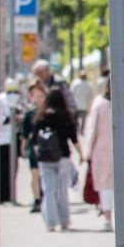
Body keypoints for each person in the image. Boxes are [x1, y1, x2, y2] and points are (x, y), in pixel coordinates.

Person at [82, 69, 124, 232]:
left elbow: (92, 129)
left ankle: (107, 218)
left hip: (102, 150)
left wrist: (88, 152)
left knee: (105, 185)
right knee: (123, 185)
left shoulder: (99, 103)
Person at [32, 84, 81, 232]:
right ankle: (65, 220)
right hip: (63, 157)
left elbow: (34, 140)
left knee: (48, 190)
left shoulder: (41, 116)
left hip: (45, 159)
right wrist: (82, 154)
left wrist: (37, 155)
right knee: (62, 190)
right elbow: (74, 138)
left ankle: (50, 222)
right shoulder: (66, 116)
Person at [21, 81, 46, 212]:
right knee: (35, 173)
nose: (38, 99)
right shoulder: (30, 114)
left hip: (47, 149)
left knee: (43, 174)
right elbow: (25, 134)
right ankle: (37, 200)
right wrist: (23, 148)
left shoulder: (48, 113)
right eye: (36, 97)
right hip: (33, 147)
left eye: (41, 97)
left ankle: (44, 197)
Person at [0, 82, 19, 205]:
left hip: (12, 139)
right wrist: (12, 118)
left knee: (13, 168)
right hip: (2, 140)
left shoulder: (14, 99)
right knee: (3, 170)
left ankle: (10, 195)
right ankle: (2, 196)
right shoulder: (1, 100)